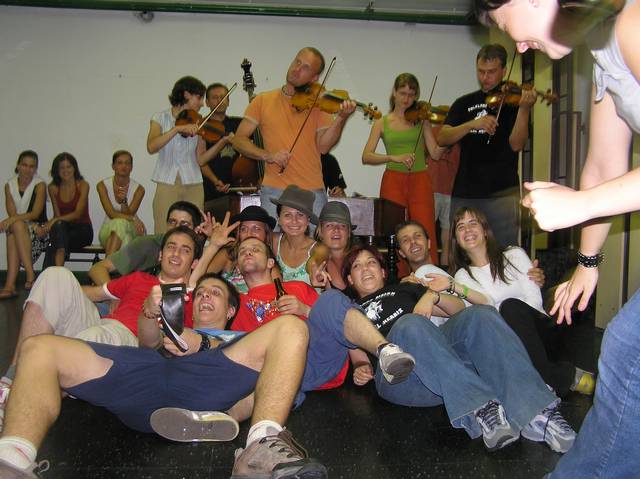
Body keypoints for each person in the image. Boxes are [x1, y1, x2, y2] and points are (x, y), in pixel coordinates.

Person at [474, 1, 639, 477]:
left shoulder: (632, 21)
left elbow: (594, 191)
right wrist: (588, 261)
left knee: (628, 349)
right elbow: (603, 164)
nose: (520, 47)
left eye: (507, 26)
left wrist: (582, 205)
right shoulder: (603, 46)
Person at [0, 274, 329, 479]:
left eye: (215, 292)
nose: (205, 296)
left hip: (212, 372)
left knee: (291, 328)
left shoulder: (242, 339)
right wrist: (150, 311)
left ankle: (258, 451)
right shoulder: (174, 328)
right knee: (38, 348)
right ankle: (12, 460)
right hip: (145, 371)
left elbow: (279, 380)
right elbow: (147, 342)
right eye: (201, 292)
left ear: (231, 310)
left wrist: (203, 343)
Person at [343, 244, 576, 453]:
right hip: (400, 380)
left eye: (371, 262)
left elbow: (459, 311)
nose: (366, 269)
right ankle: (481, 407)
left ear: (383, 272)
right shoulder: (350, 310)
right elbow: (356, 352)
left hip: (441, 367)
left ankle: (537, 413)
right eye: (357, 266)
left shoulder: (405, 289)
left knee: (481, 314)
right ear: (350, 279)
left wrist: (432, 296)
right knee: (410, 324)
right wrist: (361, 365)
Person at [448, 207, 595, 397]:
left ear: (485, 230)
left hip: (541, 332)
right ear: (456, 239)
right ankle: (557, 376)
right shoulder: (462, 276)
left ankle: (549, 377)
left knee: (510, 307)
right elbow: (486, 311)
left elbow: (534, 299)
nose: (467, 230)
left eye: (473, 223)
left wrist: (515, 325)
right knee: (497, 321)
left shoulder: (513, 254)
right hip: (505, 344)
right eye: (461, 227)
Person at [232, 47, 356, 219]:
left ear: (314, 78)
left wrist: (341, 118)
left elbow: (324, 147)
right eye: (297, 61)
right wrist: (268, 155)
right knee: (273, 236)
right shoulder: (262, 100)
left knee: (315, 237)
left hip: (312, 190)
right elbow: (239, 140)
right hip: (273, 189)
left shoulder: (318, 103)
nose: (297, 69)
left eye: (305, 67)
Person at [437, 44, 537, 248]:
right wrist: (471, 124)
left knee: (504, 249)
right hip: (466, 191)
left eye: (491, 72)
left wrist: (524, 109)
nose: (485, 77)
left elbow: (517, 144)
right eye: (481, 71)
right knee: (463, 249)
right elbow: (443, 137)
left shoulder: (514, 103)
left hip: (502, 193)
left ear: (503, 70)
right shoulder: (464, 103)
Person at [362, 73, 445, 265]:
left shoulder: (422, 120)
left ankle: (429, 273)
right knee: (395, 230)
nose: (406, 99)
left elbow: (435, 153)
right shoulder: (382, 122)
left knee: (425, 228)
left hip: (420, 179)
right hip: (393, 179)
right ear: (394, 92)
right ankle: (397, 276)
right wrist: (393, 157)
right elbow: (366, 156)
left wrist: (448, 137)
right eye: (402, 93)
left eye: (411, 94)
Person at [88, 200, 203, 285]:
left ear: (196, 229)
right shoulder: (147, 244)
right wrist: (112, 296)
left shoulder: (200, 251)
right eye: (172, 222)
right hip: (121, 296)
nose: (176, 227)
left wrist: (211, 240)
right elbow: (98, 268)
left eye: (184, 224)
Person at [147, 76, 206, 234]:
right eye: (199, 97)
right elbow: (151, 146)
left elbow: (201, 159)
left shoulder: (199, 122)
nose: (202, 103)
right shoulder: (160, 118)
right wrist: (176, 129)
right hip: (167, 180)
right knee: (164, 228)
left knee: (195, 230)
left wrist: (222, 142)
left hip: (193, 181)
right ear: (186, 94)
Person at [0, 150, 48, 299]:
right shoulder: (9, 185)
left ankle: (10, 285)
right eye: (24, 165)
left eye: (32, 166)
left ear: (36, 168)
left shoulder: (40, 185)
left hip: (40, 231)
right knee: (16, 227)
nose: (28, 169)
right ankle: (30, 274)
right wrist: (14, 221)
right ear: (18, 166)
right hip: (21, 230)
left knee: (15, 228)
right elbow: (12, 215)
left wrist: (13, 221)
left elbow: (35, 213)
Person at [205, 205, 278, 293]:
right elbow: (200, 279)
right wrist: (212, 245)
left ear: (266, 234)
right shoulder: (228, 254)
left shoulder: (269, 263)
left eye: (256, 229)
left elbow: (277, 294)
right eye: (244, 229)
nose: (249, 234)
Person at [196, 82, 243, 219]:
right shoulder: (202, 125)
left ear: (228, 101)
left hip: (235, 189)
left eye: (223, 97)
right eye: (215, 97)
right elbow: (200, 160)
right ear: (207, 102)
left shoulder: (238, 124)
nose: (219, 100)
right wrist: (215, 181)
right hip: (209, 190)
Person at [42, 152, 93, 268]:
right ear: (57, 170)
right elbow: (57, 215)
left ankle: (50, 275)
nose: (65, 170)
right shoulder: (53, 188)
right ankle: (57, 271)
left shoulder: (83, 185)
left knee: (55, 241)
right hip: (63, 229)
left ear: (74, 168)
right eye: (62, 167)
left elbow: (78, 214)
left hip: (83, 230)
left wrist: (54, 221)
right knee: (58, 237)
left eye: (68, 167)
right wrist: (53, 222)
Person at [96, 150, 146, 256]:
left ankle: (107, 264)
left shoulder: (139, 189)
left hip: (131, 228)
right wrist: (134, 219)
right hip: (108, 231)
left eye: (127, 163)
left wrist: (124, 202)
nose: (124, 166)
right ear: (113, 166)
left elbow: (129, 214)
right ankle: (114, 265)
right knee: (124, 233)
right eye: (120, 163)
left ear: (131, 167)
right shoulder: (102, 185)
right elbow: (111, 213)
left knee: (122, 227)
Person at [270, 185, 318, 285]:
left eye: (300, 215)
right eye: (287, 215)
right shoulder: (273, 241)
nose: (294, 221)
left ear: (308, 220)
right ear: (278, 219)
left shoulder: (317, 250)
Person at [428, 126, 460, 266]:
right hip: (433, 189)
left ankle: (445, 268)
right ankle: (429, 268)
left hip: (449, 191)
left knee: (447, 237)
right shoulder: (433, 130)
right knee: (429, 233)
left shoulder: (459, 131)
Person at [312, 201, 358, 292]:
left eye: (342, 225)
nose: (336, 229)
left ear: (348, 233)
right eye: (329, 225)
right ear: (320, 232)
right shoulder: (314, 261)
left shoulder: (360, 258)